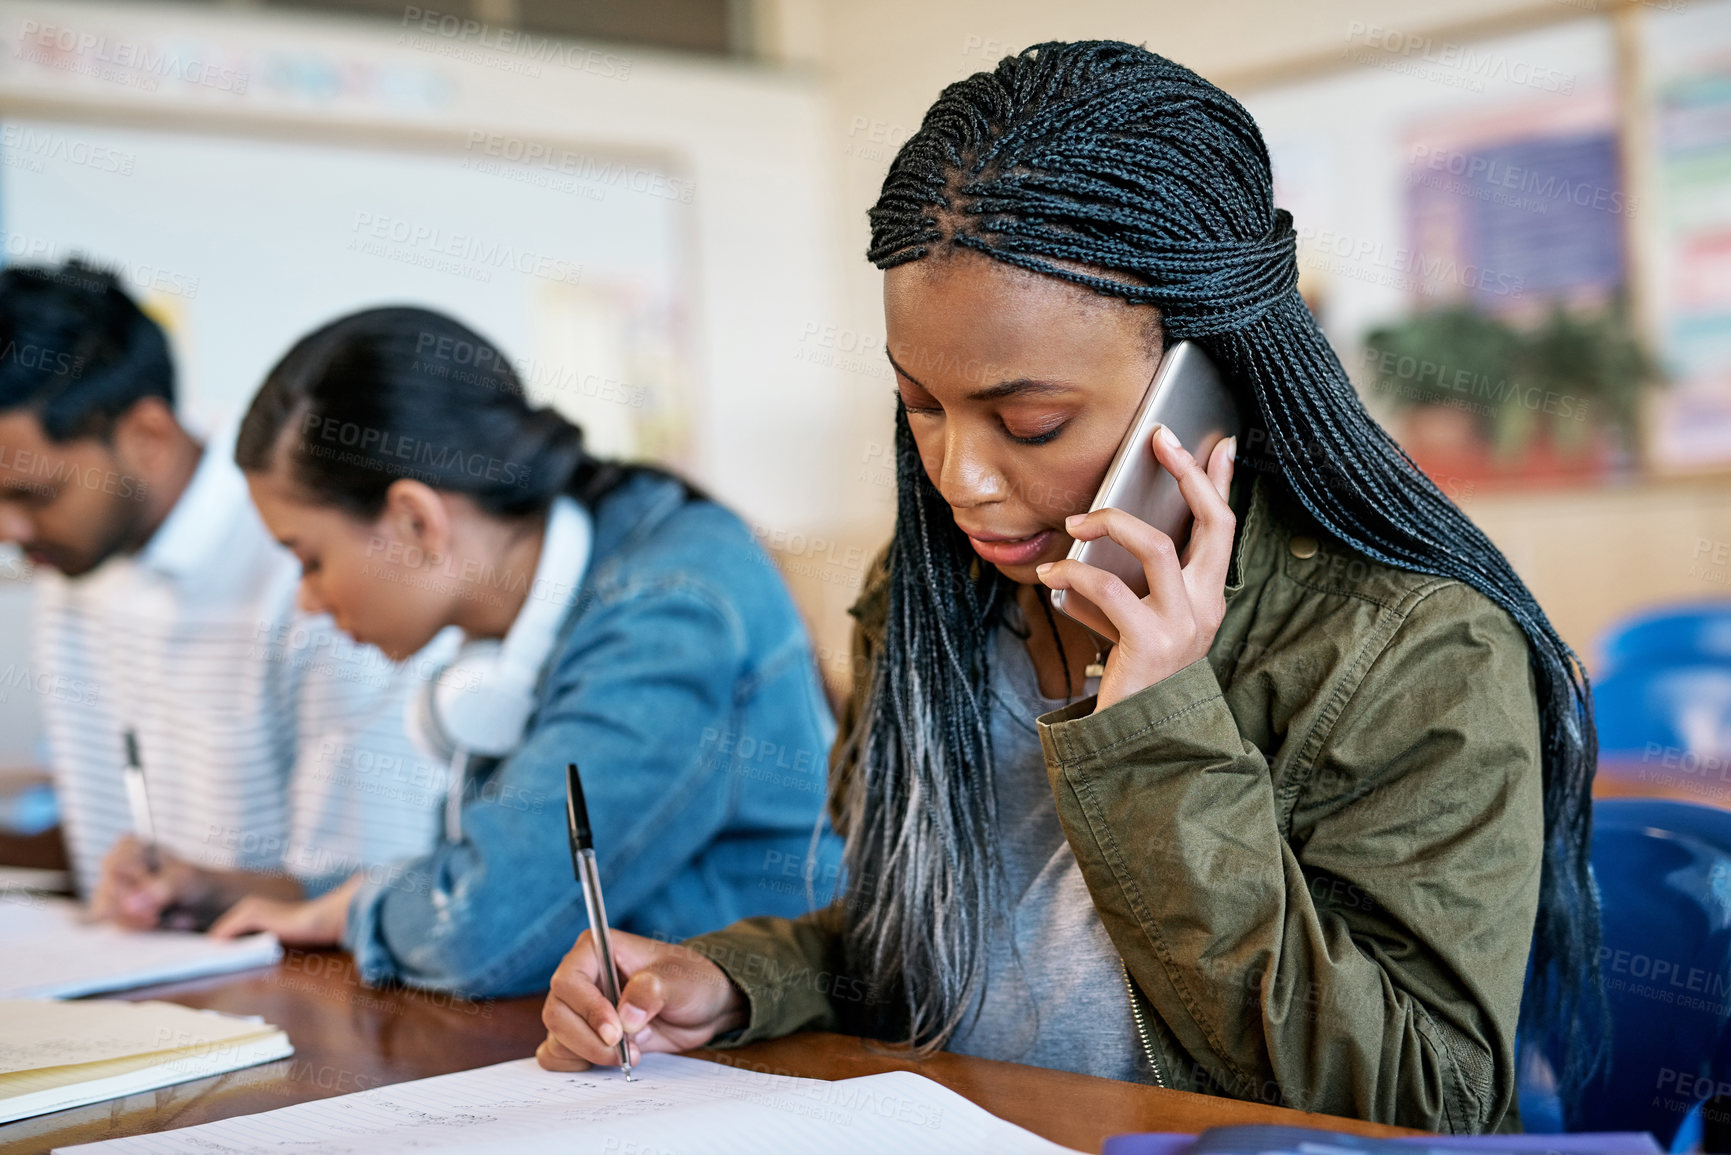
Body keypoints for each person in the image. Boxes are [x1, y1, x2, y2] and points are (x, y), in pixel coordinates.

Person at [534, 42, 1605, 1134]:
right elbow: (932, 951)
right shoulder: (929, 595)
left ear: (1199, 384)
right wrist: (736, 981)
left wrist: (1158, 732)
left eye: (1031, 422)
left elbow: (1425, 1100)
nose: (962, 478)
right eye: (922, 406)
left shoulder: (1416, 648)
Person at [209, 305, 842, 1000]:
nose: (307, 600)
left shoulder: (668, 609)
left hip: (772, 1056)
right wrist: (239, 891)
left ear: (415, 520)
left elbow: (480, 929)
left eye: (309, 559)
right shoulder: (564, 583)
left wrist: (364, 908)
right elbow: (479, 878)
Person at [0, 260, 442, 922]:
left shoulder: (314, 566)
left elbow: (376, 890)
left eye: (33, 493)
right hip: (131, 993)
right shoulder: (75, 558)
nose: (9, 528)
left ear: (146, 435)